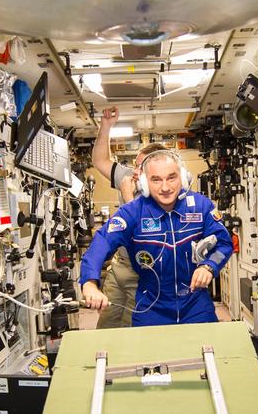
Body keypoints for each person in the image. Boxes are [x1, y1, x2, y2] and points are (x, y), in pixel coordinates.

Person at [79, 149, 233, 326]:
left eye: (171, 178)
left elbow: (224, 244)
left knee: (207, 350)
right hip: (151, 307)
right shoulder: (133, 212)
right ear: (144, 182)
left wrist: (209, 266)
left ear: (183, 178)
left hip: (196, 305)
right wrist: (90, 283)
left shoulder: (200, 206)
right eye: (156, 180)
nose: (165, 187)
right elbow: (101, 242)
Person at [87, 107, 168, 328]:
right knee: (106, 325)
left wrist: (127, 195)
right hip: (119, 267)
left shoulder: (165, 191)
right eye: (135, 164)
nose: (134, 171)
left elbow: (143, 233)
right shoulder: (131, 176)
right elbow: (100, 160)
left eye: (140, 166)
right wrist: (106, 126)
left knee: (131, 330)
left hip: (142, 271)